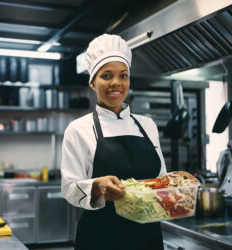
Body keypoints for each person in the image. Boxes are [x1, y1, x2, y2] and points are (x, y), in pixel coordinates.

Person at [61, 34, 167, 250]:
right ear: (92, 82)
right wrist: (97, 187)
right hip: (101, 238)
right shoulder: (78, 129)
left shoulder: (148, 126)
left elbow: (161, 181)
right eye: (106, 75)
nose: (116, 83)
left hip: (147, 238)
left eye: (123, 75)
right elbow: (69, 188)